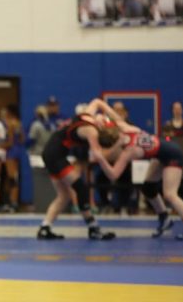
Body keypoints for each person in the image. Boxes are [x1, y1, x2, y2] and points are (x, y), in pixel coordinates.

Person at [36, 98, 121, 240]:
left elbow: (97, 155)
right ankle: (93, 228)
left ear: (102, 128)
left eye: (105, 120)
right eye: (105, 118)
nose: (102, 117)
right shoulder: (91, 124)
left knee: (63, 196)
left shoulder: (90, 125)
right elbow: (98, 102)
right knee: (80, 188)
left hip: (54, 153)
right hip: (54, 154)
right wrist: (116, 118)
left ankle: (45, 227)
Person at [94, 128, 183, 240]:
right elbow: (115, 117)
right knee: (148, 188)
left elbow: (113, 175)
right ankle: (164, 219)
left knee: (170, 194)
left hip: (173, 155)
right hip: (162, 152)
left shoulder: (128, 151)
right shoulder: (126, 129)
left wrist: (101, 159)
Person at [1, 105, 25, 212]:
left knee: (12, 179)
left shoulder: (10, 124)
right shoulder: (19, 123)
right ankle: (13, 202)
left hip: (11, 152)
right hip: (18, 151)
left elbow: (9, 142)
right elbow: (22, 139)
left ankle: (12, 202)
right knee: (15, 177)